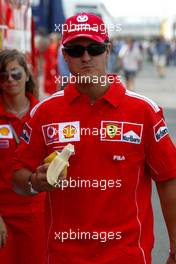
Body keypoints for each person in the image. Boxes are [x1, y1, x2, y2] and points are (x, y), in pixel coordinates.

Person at [13, 13, 176, 264]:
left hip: (127, 257)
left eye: (95, 48)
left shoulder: (144, 111)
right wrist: (36, 182)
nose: (86, 57)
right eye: (76, 50)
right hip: (62, 256)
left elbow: (168, 180)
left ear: (108, 50)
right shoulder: (44, 113)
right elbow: (18, 178)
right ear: (64, 55)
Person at [0, 49, 46, 263]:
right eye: (3, 76)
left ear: (26, 75)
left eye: (16, 74)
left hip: (38, 214)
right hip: (3, 215)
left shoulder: (43, 113)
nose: (10, 80)